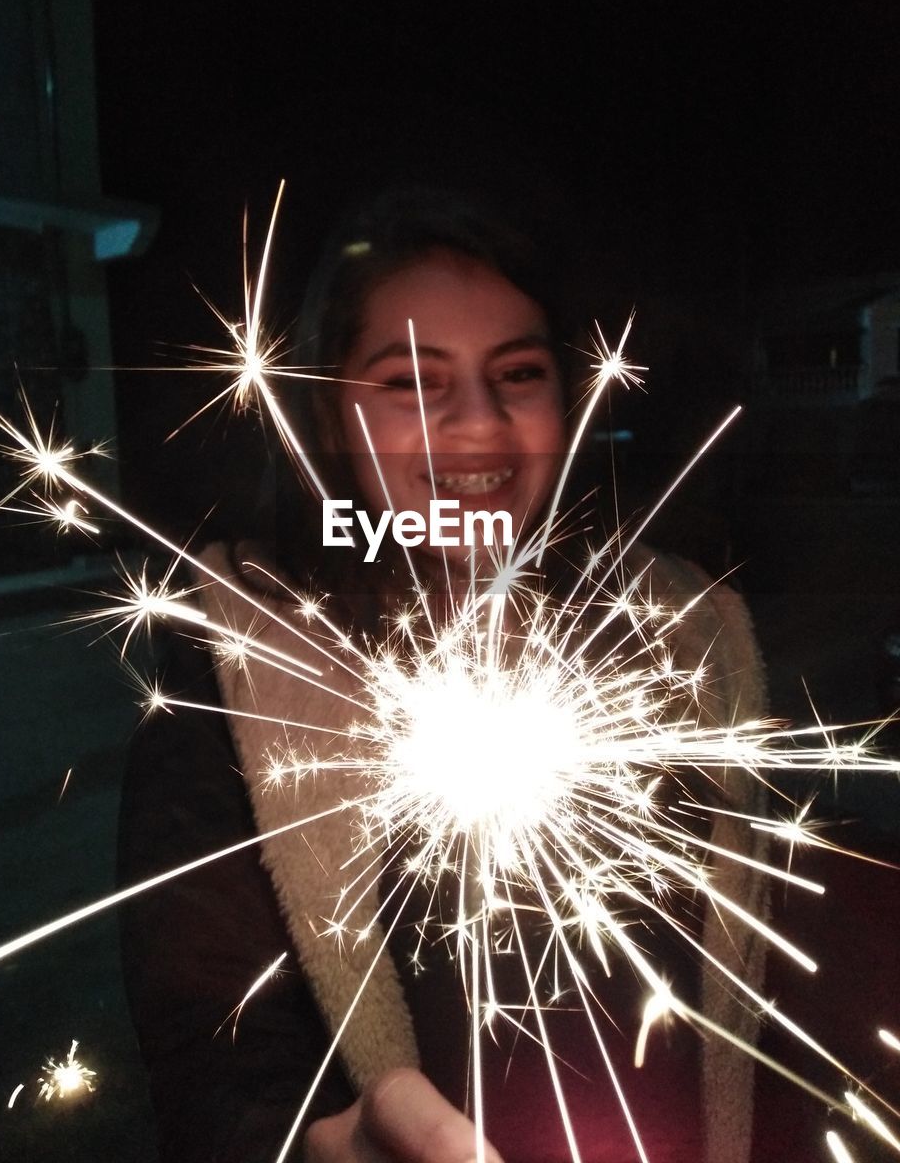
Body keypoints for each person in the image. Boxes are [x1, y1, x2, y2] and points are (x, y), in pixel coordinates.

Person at [118, 186, 772, 1163]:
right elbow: (208, 1060)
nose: (476, 425)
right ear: (329, 412)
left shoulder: (687, 628)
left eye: (518, 370)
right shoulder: (234, 673)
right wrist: (322, 1145)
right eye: (410, 381)